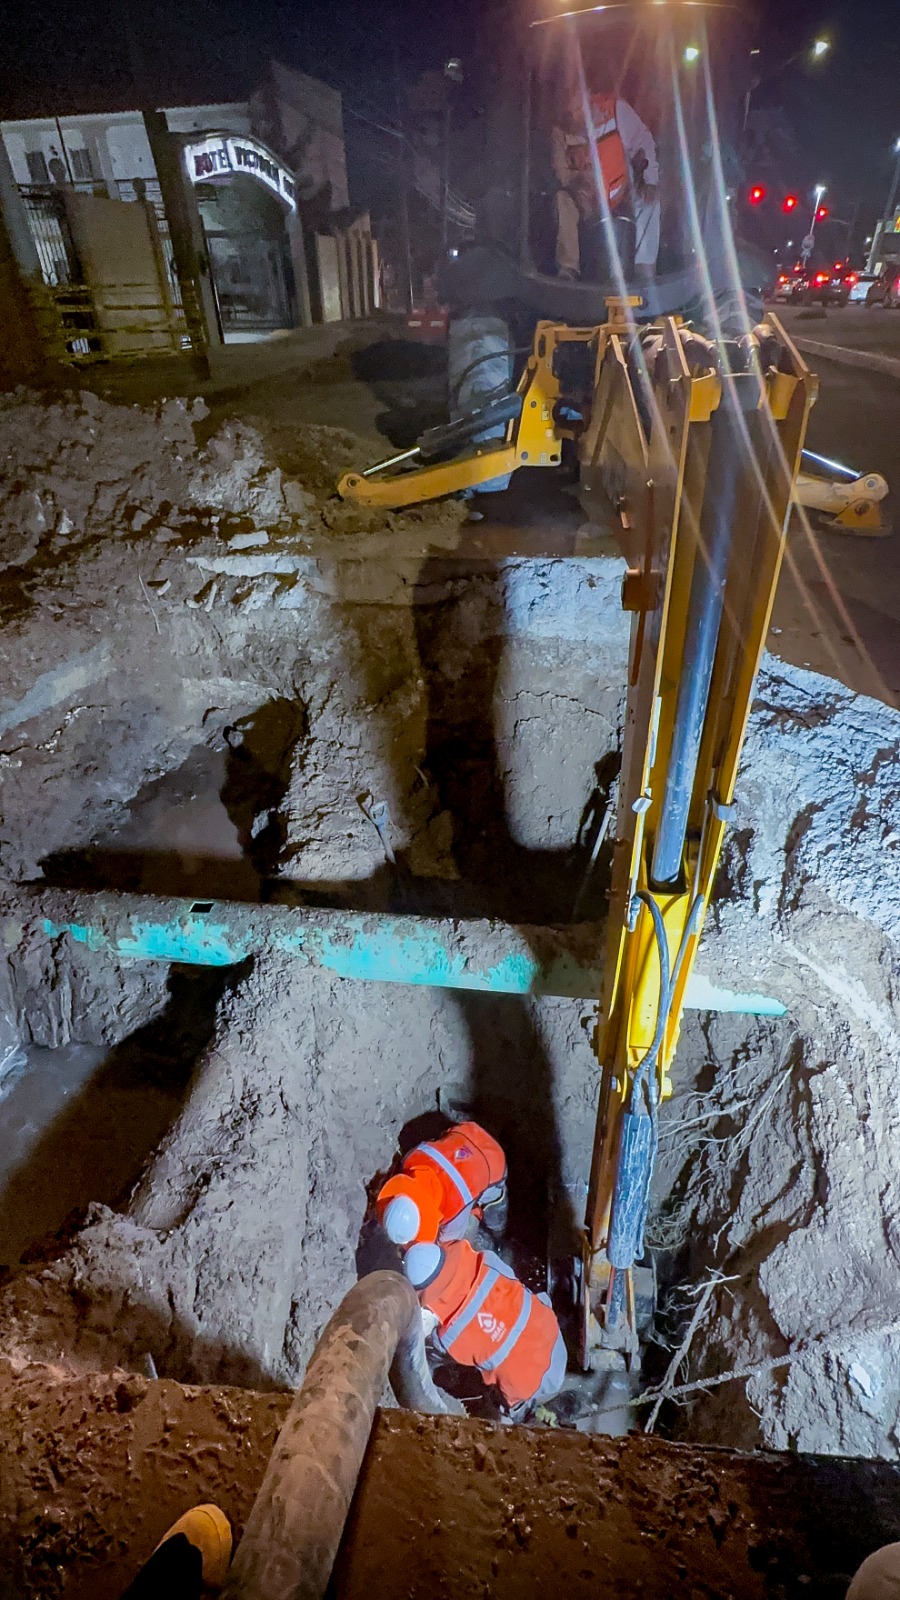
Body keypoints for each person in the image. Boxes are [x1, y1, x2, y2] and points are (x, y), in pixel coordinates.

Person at [404, 1238, 567, 1422]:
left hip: (525, 1379)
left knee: (504, 1416)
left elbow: (431, 1354)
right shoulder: (488, 1262)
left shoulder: (449, 1337)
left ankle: (524, 1415)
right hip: (547, 1330)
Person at [551, 82, 660, 283]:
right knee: (562, 200)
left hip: (620, 191)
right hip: (587, 199)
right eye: (570, 109)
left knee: (649, 200)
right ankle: (568, 269)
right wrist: (584, 181)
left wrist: (649, 179)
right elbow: (563, 175)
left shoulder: (616, 111)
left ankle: (643, 269)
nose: (575, 114)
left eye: (578, 107)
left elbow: (643, 141)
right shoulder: (561, 133)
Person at [377, 1120, 508, 1249]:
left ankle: (498, 1239)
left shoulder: (454, 1207)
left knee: (494, 1216)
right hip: (467, 1132)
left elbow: (450, 1244)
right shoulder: (411, 1159)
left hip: (494, 1162)